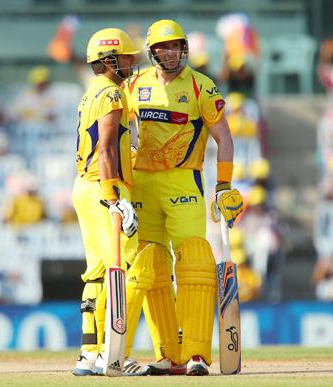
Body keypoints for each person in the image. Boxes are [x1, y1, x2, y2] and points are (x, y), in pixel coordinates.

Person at [124, 19, 243, 376]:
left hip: (183, 182)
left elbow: (225, 138)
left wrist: (223, 186)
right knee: (152, 269)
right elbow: (116, 132)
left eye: (177, 46)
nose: (171, 52)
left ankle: (196, 355)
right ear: (152, 51)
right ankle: (168, 355)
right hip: (142, 183)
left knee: (193, 263)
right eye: (164, 47)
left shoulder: (201, 86)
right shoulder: (134, 85)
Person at [71, 28, 140, 376]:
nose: (132, 62)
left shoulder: (90, 92)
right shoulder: (112, 94)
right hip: (102, 185)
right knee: (122, 268)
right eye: (127, 57)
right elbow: (106, 148)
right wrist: (113, 197)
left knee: (98, 272)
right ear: (110, 60)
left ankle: (89, 353)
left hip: (84, 186)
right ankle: (108, 354)